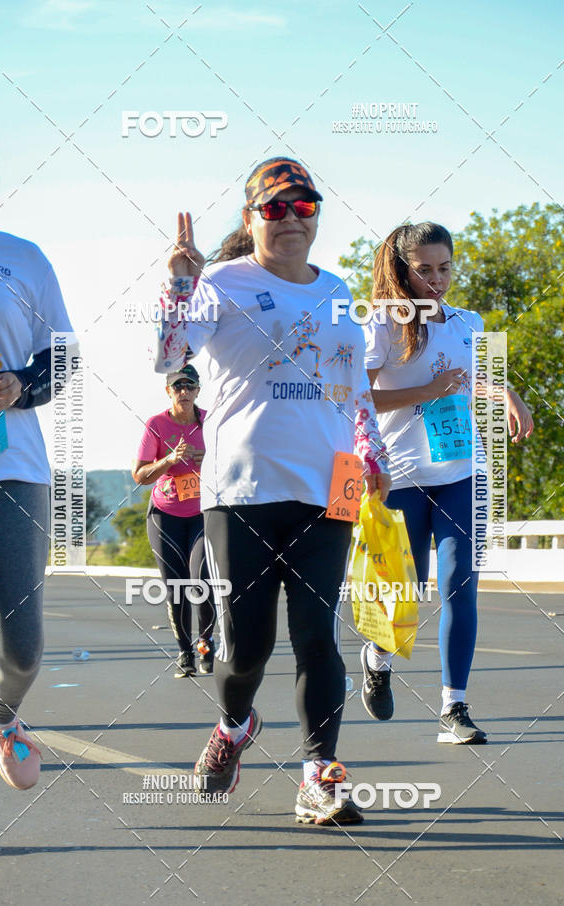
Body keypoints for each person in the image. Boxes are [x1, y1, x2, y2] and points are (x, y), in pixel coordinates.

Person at [153, 157, 391, 825]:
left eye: (304, 206)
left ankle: (320, 775)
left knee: (318, 635)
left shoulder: (339, 291)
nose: (291, 219)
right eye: (275, 208)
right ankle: (233, 724)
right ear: (253, 217)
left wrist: (371, 452)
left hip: (328, 488)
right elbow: (171, 356)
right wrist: (178, 281)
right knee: (246, 649)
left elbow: (357, 392)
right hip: (241, 490)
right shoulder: (222, 282)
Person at [360, 221, 534, 744]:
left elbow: (476, 374)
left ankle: (453, 708)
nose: (437, 280)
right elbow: (356, 396)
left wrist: (509, 396)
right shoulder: (383, 325)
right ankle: (377, 657)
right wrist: (426, 390)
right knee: (404, 593)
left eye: (445, 268)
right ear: (403, 270)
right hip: (402, 476)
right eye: (425, 270)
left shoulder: (468, 321)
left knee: (461, 584)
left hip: (463, 469)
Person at [0, 122, 74, 852]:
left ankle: (0, 709)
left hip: (11, 468)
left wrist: (22, 384)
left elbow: (65, 361)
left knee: (23, 646)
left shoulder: (21, 258)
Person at [132, 364, 216, 676]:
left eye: (189, 386)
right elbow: (140, 475)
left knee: (202, 581)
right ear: (168, 391)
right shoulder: (157, 424)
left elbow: (237, 463)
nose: (184, 392)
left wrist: (208, 460)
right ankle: (185, 653)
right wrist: (169, 460)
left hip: (203, 514)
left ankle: (206, 646)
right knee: (177, 587)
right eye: (178, 387)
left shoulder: (211, 421)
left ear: (198, 390)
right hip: (165, 515)